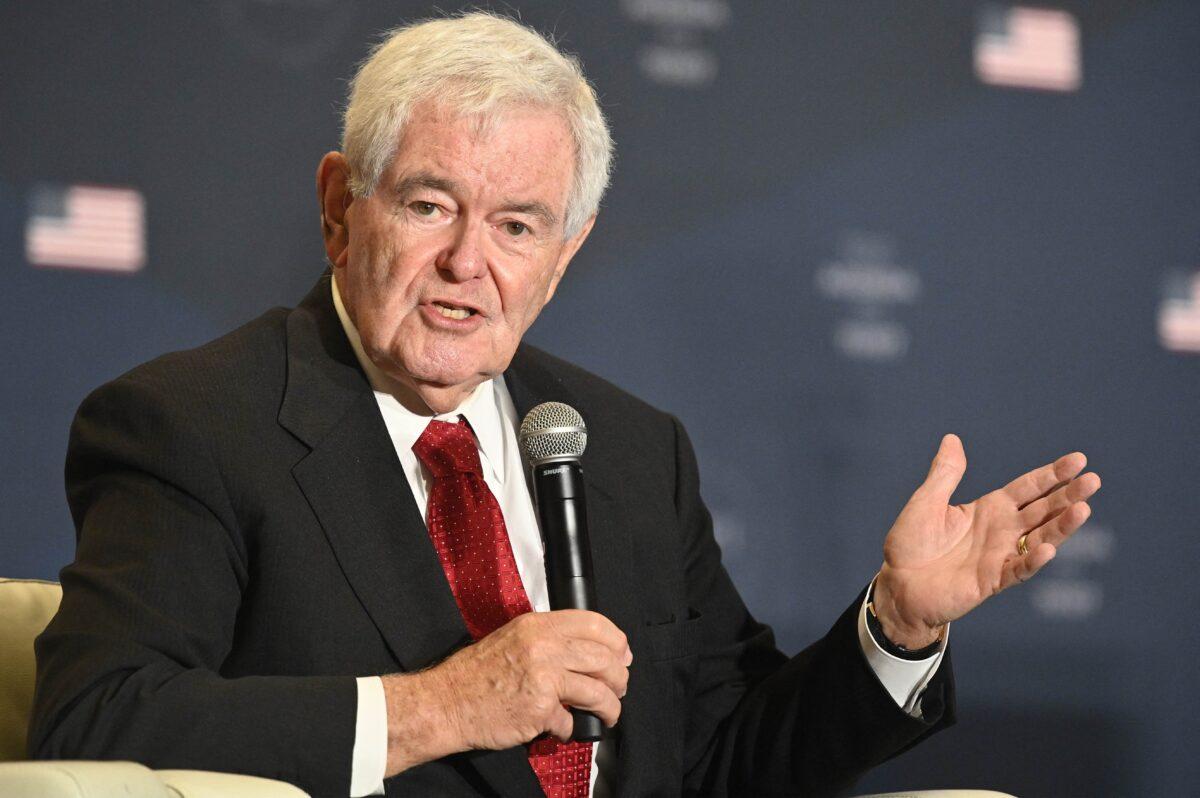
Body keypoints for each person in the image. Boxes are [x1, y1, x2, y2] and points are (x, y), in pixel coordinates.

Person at [29, 12, 1100, 798]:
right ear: (338, 210)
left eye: (517, 226)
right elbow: (94, 723)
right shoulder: (194, 423)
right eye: (428, 203)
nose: (465, 264)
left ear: (564, 254)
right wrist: (445, 706)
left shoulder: (630, 451)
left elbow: (725, 756)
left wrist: (900, 627)